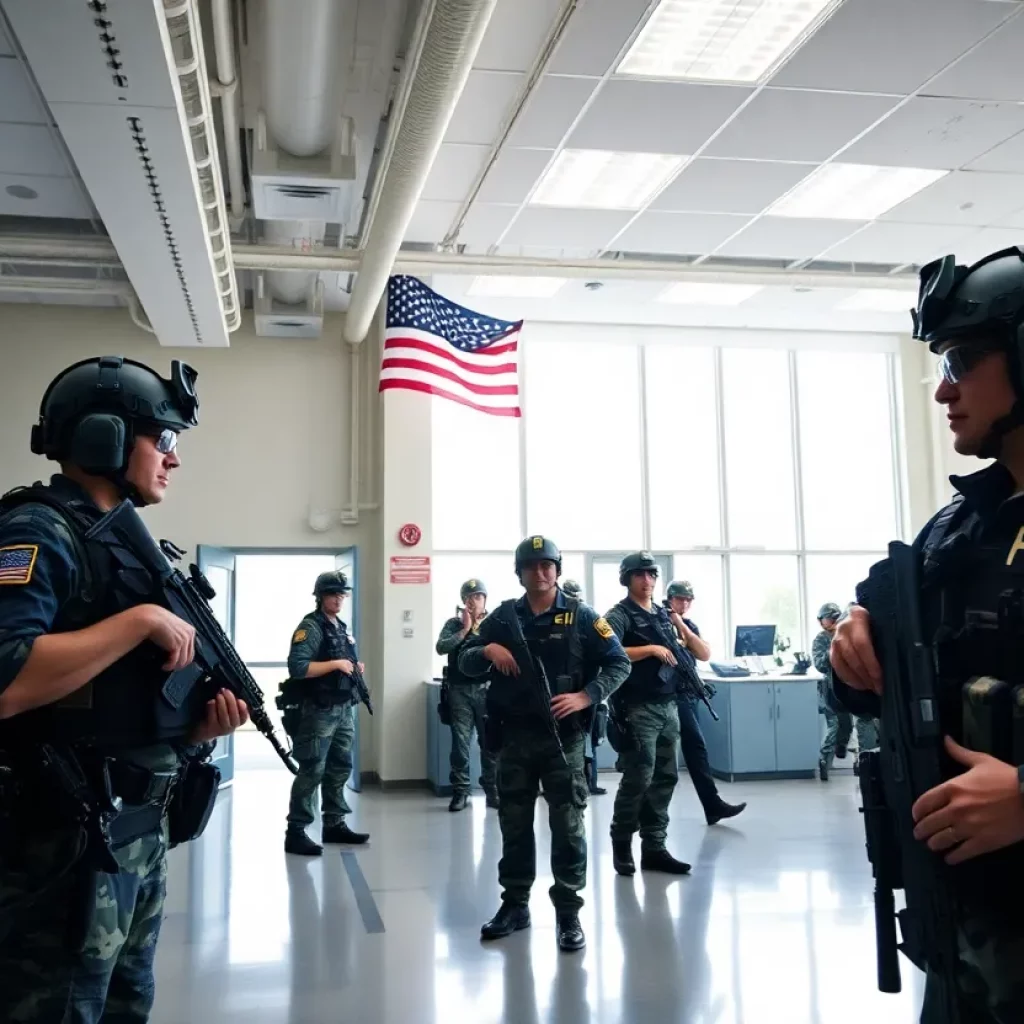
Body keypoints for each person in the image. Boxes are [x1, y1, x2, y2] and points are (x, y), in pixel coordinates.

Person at [0, 355, 249, 1023]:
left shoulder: (133, 549)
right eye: (162, 439)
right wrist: (139, 622)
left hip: (132, 831)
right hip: (61, 845)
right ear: (105, 439)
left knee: (122, 1006)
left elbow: (112, 698)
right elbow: (8, 677)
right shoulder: (37, 531)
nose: (173, 459)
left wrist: (194, 731)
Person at [830, 245, 1024, 1023]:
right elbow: (869, 678)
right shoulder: (954, 530)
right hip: (967, 942)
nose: (943, 389)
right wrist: (851, 642)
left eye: (963, 360)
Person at [459, 536, 630, 953]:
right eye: (532, 566)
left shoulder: (582, 615)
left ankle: (568, 913)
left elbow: (618, 661)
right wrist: (487, 649)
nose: (541, 572)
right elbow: (463, 661)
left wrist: (587, 695)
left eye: (548, 565)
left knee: (568, 827)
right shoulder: (502, 617)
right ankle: (515, 905)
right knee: (514, 825)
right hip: (514, 737)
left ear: (557, 569)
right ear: (520, 573)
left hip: (563, 740)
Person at [605, 553, 693, 877]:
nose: (647, 580)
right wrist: (650, 650)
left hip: (668, 706)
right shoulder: (619, 615)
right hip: (636, 708)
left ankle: (654, 846)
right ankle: (621, 841)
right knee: (638, 778)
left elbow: (682, 648)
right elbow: (606, 650)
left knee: (666, 777)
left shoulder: (661, 614)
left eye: (651, 574)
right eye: (639, 575)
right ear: (627, 579)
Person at [284, 570, 369, 856]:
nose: (339, 599)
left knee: (340, 766)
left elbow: (344, 660)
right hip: (319, 710)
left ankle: (334, 823)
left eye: (342, 594)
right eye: (334, 594)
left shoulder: (340, 626)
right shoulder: (311, 627)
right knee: (312, 769)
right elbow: (298, 667)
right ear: (321, 596)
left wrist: (353, 667)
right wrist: (335, 664)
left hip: (343, 707)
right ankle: (296, 831)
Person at [665, 580, 745, 824]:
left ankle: (712, 806)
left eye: (688, 599)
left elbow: (704, 653)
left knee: (696, 750)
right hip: (668, 695)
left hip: (688, 695)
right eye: (680, 599)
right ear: (670, 598)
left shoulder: (687, 624)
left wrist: (680, 624)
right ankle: (710, 805)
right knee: (674, 755)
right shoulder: (657, 620)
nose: (685, 603)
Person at [435, 578, 498, 812]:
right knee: (460, 745)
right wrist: (464, 629)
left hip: (487, 691)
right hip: (459, 692)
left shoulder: (494, 623)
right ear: (463, 601)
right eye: (469, 598)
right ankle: (461, 791)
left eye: (478, 597)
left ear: (485, 600)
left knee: (489, 744)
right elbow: (441, 647)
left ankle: (492, 790)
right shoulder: (454, 624)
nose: (473, 601)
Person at [812, 601, 876, 782]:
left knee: (865, 721)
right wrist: (834, 648)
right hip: (833, 690)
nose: (831, 621)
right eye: (828, 618)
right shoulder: (821, 639)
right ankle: (826, 760)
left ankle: (867, 762)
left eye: (834, 617)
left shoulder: (850, 632)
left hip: (854, 686)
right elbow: (820, 664)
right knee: (838, 726)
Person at [562, 578, 609, 796]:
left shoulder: (591, 618)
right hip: (563, 695)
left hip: (590, 692)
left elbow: (613, 653)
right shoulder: (553, 620)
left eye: (576, 597)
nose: (574, 602)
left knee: (593, 737)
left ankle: (591, 782)